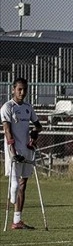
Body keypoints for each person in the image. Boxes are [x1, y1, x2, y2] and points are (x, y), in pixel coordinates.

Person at [1, 77, 43, 230]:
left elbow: (38, 126)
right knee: (14, 185)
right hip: (14, 149)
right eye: (19, 89)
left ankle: (17, 220)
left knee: (23, 183)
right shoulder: (7, 107)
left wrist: (34, 134)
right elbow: (7, 131)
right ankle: (13, 205)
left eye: (25, 89)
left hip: (27, 149)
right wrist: (13, 152)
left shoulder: (28, 107)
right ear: (13, 89)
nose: (22, 92)